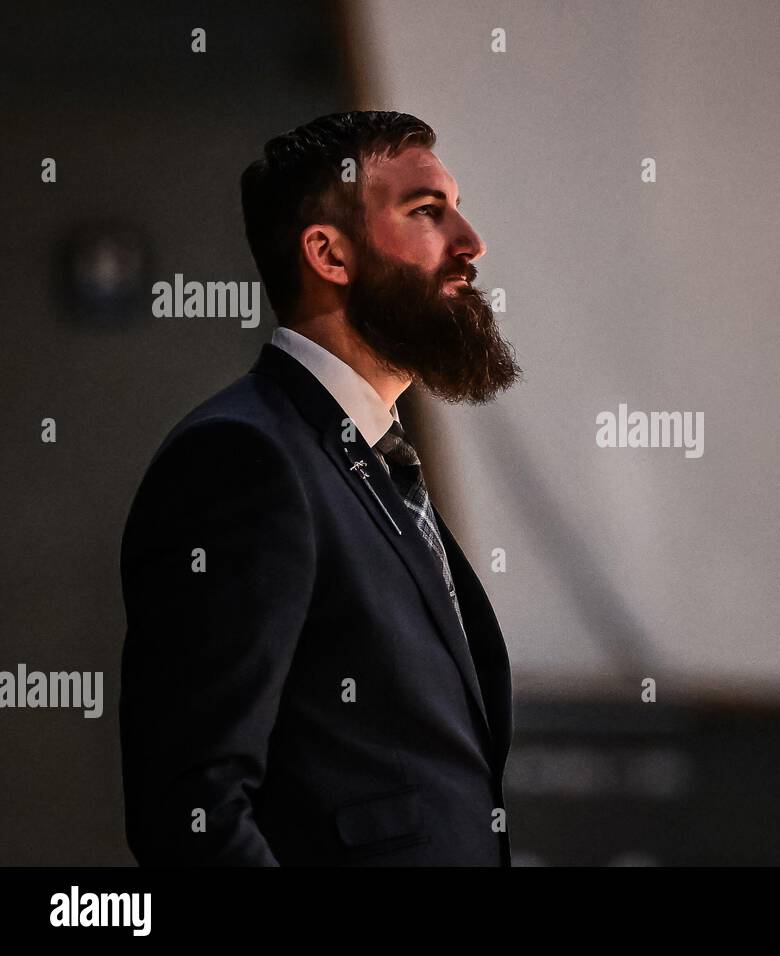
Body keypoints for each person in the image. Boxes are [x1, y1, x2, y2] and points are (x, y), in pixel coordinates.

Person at [119, 111, 522, 865]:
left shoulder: (376, 458)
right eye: (427, 211)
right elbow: (192, 810)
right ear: (329, 254)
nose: (470, 242)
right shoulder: (241, 458)